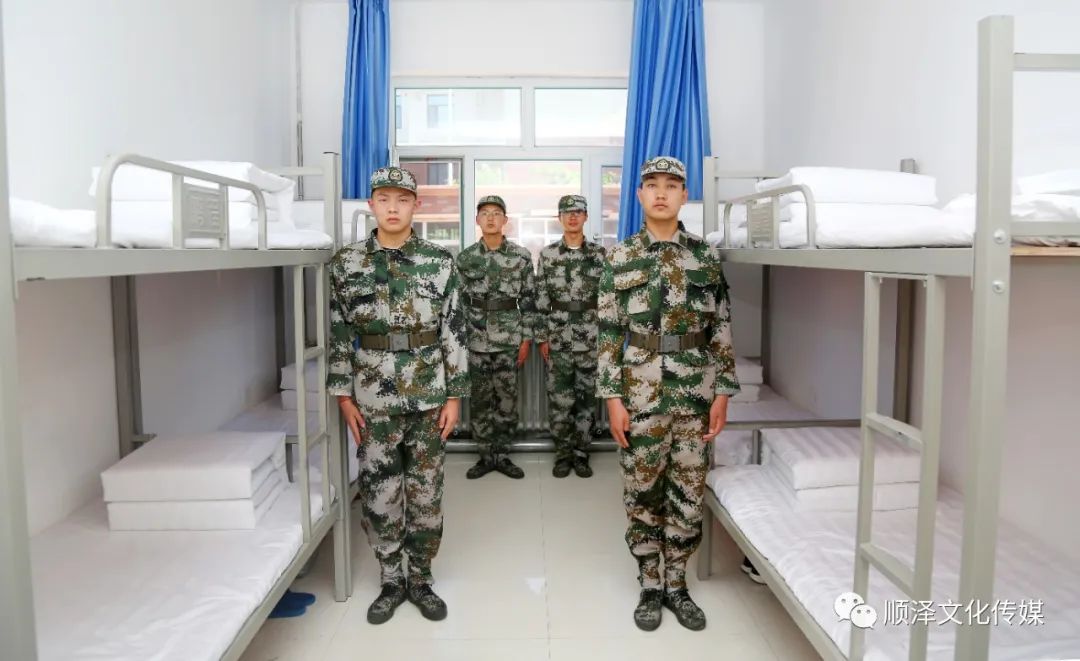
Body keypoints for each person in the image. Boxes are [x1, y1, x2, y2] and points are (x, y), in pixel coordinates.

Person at [596, 156, 740, 632]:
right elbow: (608, 333)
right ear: (639, 194)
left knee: (688, 489)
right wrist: (612, 398)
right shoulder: (619, 258)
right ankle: (650, 582)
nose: (661, 193)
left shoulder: (704, 257)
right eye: (652, 185)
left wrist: (723, 391)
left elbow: (721, 327)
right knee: (642, 488)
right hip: (640, 393)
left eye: (671, 185)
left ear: (684, 195)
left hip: (695, 392)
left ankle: (677, 582)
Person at [327, 166, 468, 625]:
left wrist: (455, 397)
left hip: (429, 395)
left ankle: (421, 577)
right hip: (372, 398)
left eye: (402, 199)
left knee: (426, 493)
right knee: (380, 492)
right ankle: (391, 578)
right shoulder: (346, 264)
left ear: (416, 206)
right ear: (371, 204)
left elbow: (454, 331)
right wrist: (343, 396)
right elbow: (337, 332)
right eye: (384, 199)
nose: (393, 207)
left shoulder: (440, 261)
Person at [455, 195, 539, 480]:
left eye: (496, 213)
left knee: (506, 399)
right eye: (485, 213)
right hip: (475, 338)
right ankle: (484, 456)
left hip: (508, 339)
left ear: (505, 220)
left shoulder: (520, 256)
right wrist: (461, 342)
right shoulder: (465, 258)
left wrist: (526, 339)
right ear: (477, 220)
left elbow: (529, 301)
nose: (490, 218)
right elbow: (458, 304)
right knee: (480, 400)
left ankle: (502, 455)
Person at [535, 194, 606, 478]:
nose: (573, 217)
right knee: (560, 402)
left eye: (578, 212)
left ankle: (581, 454)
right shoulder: (548, 255)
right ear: (560, 218)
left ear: (586, 217)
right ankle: (563, 455)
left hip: (591, 338)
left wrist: (607, 340)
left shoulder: (600, 255)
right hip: (559, 339)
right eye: (567, 213)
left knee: (587, 401)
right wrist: (542, 338)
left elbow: (608, 301)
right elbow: (541, 300)